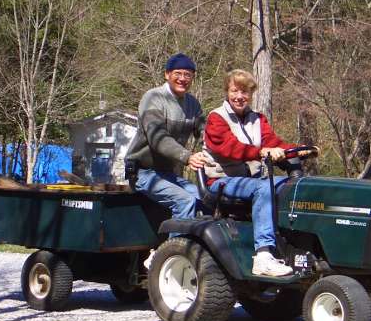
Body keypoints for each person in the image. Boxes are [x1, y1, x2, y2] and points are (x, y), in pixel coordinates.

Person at [203, 69, 313, 277]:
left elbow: (273, 143)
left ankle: (296, 244)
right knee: (265, 186)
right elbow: (230, 148)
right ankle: (263, 255)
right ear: (227, 91)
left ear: (251, 94)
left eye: (245, 92)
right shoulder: (216, 119)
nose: (240, 96)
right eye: (235, 90)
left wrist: (296, 149)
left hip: (250, 180)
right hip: (221, 181)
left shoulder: (257, 119)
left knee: (294, 185)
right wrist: (261, 152)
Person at [125, 53, 211, 268]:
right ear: (167, 74)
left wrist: (217, 151)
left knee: (207, 199)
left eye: (188, 75)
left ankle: (195, 253)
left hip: (170, 175)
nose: (183, 79)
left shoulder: (192, 104)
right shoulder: (153, 98)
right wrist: (187, 157)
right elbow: (157, 139)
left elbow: (206, 133)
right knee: (185, 201)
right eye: (178, 74)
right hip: (144, 173)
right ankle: (168, 260)